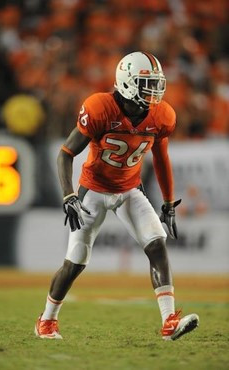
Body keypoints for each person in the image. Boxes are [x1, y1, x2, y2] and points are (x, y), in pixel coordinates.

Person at [35, 51, 199, 341]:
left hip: (129, 189)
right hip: (94, 190)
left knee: (156, 244)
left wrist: (168, 203)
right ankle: (46, 321)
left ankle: (169, 322)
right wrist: (68, 194)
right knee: (76, 261)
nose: (154, 91)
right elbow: (65, 154)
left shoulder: (162, 115)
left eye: (156, 84)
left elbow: (161, 159)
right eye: (146, 84)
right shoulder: (100, 107)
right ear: (126, 82)